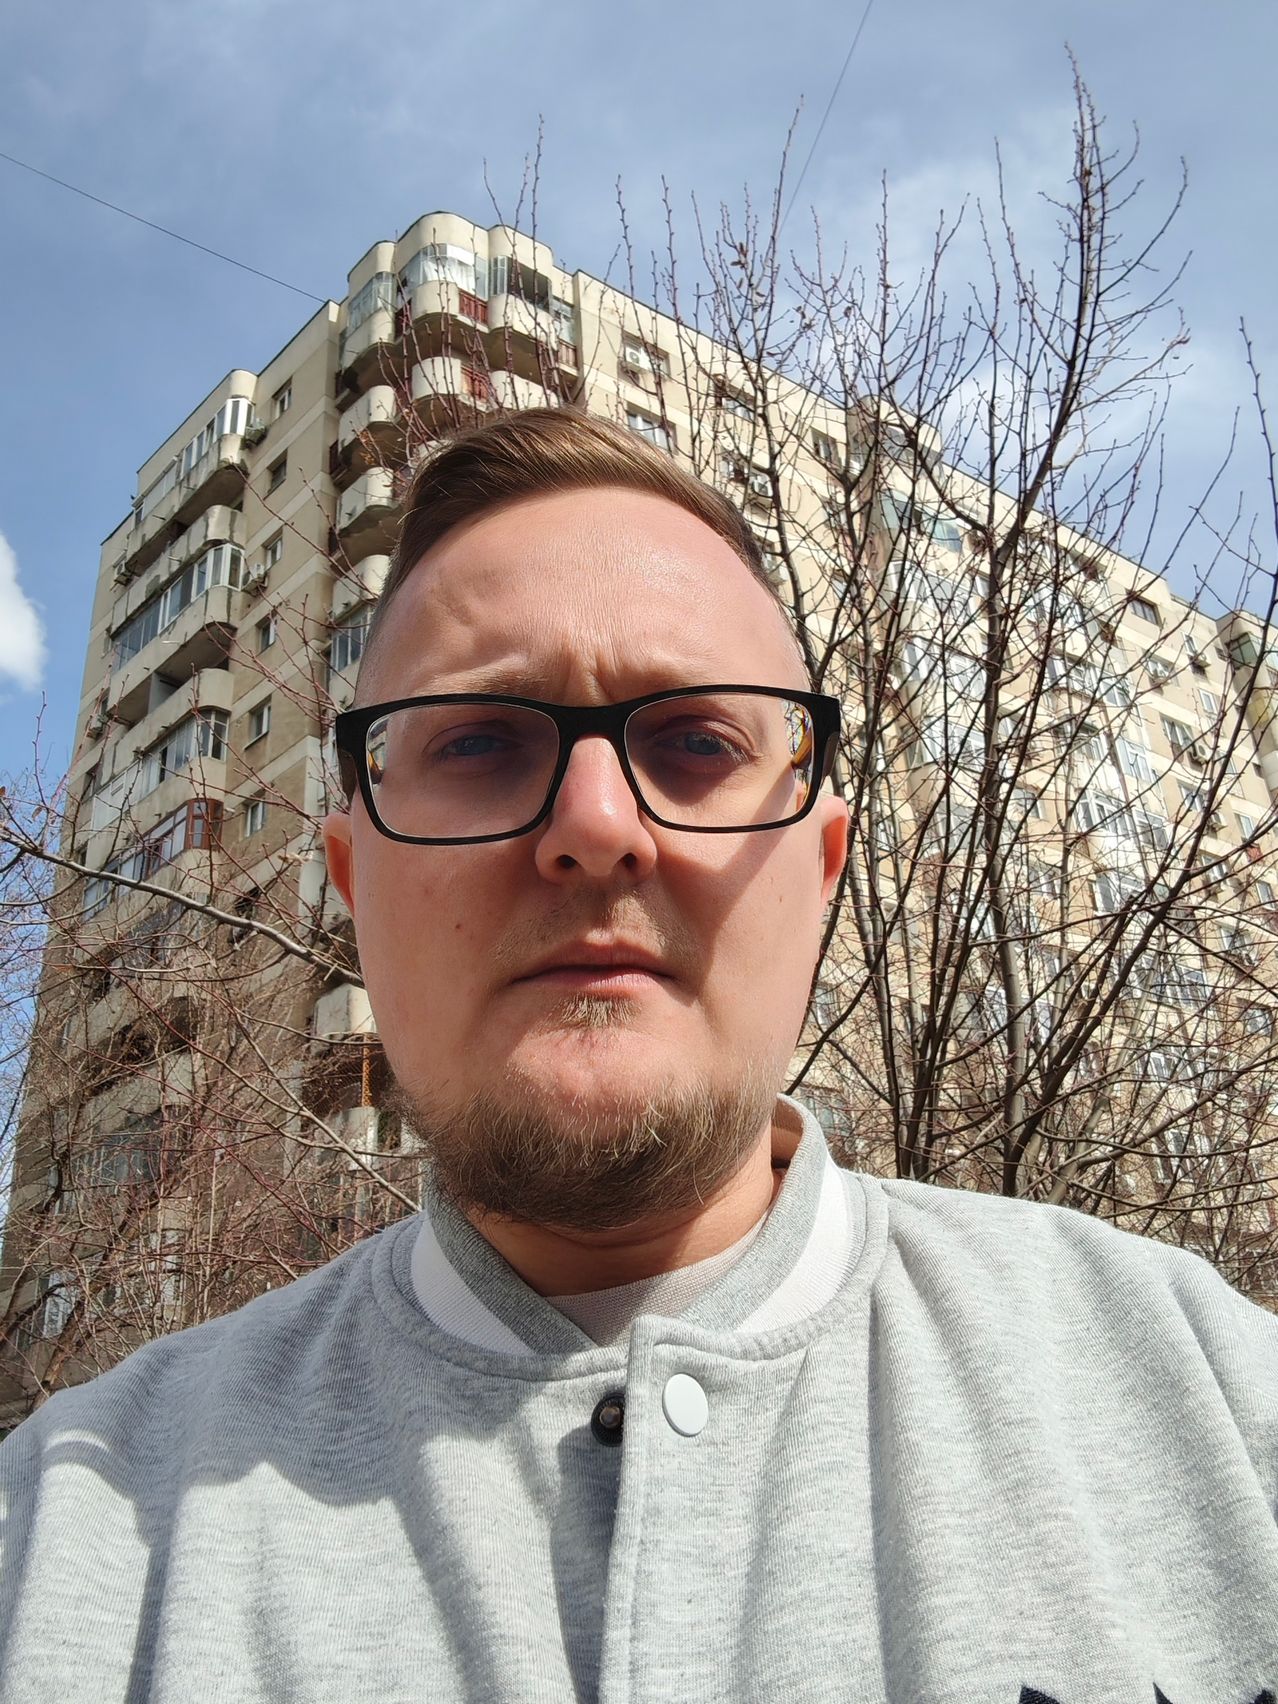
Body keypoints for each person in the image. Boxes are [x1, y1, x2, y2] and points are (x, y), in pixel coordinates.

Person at [1, 409, 1276, 1704]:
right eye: (478, 740)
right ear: (351, 881)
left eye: (697, 743)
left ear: (821, 868)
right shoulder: (64, 1534)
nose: (596, 823)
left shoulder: (1206, 1387)